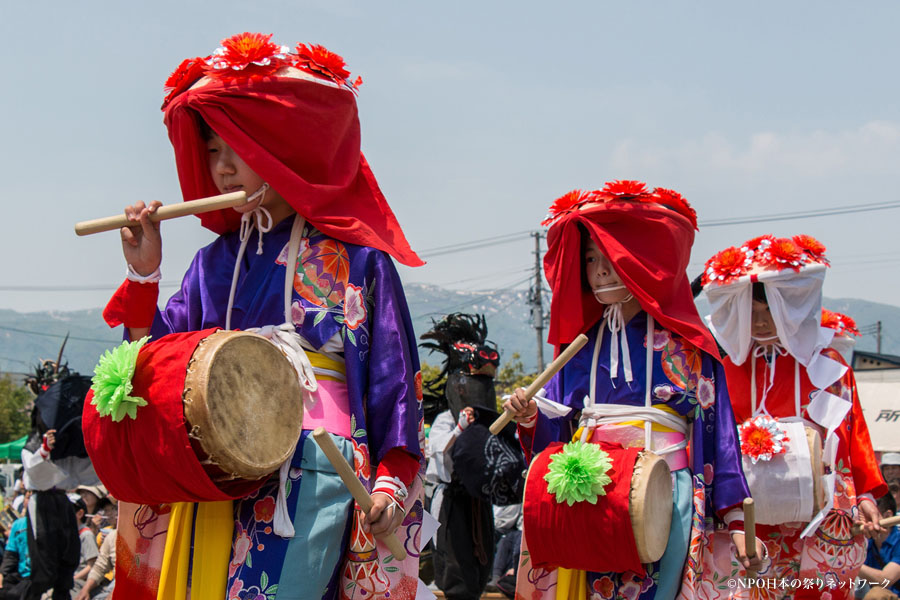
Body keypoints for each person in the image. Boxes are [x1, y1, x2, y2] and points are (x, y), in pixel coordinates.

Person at [86, 33, 425, 600]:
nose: (220, 169)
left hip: (315, 467)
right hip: (214, 467)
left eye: (234, 149)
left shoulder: (357, 259)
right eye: (212, 150)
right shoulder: (211, 264)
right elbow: (149, 374)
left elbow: (395, 381)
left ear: (278, 147)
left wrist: (391, 478)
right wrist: (145, 275)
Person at [503, 182, 761, 599]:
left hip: (663, 495)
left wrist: (735, 521)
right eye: (590, 258)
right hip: (588, 500)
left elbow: (719, 440)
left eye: (610, 259)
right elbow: (555, 443)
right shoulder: (576, 347)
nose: (599, 270)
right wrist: (530, 416)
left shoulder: (689, 348)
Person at [699, 234, 888, 598]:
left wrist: (865, 493)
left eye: (770, 311)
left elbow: (853, 433)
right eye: (751, 313)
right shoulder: (726, 370)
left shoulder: (827, 367)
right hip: (751, 508)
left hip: (823, 504)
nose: (761, 322)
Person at [422, 313, 523, 600]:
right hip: (453, 502)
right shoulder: (445, 419)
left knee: (480, 571)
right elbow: (440, 455)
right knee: (456, 574)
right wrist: (460, 429)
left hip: (481, 501)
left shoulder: (495, 420)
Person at [859, 493, 900, 595]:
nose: (863, 520)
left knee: (877, 594)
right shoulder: (867, 542)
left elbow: (886, 579)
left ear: (887, 516)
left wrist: (850, 564)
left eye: (868, 515)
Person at [0, 493, 31, 600]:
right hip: (21, 577)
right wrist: (1, 574)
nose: (30, 500)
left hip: (40, 578)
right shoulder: (18, 524)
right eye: (27, 497)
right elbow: (10, 556)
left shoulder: (52, 524)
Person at [69, 499, 99, 597]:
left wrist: (73, 578)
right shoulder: (69, 534)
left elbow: (91, 566)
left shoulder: (86, 534)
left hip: (79, 581)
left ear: (80, 513)